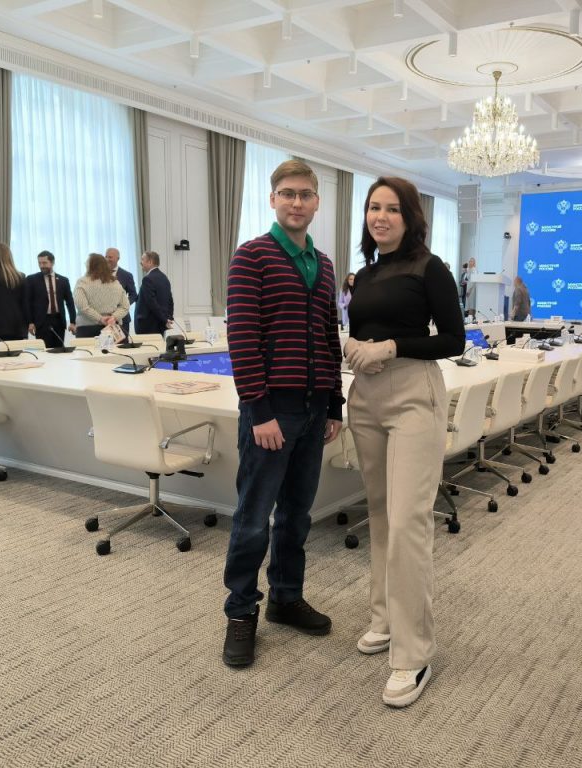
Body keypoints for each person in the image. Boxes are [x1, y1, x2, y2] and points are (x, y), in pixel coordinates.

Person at [344, 176, 465, 708]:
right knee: (379, 513)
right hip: (365, 396)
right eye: (374, 207)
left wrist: (391, 346)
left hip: (414, 393)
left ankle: (414, 654)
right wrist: (351, 344)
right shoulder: (366, 274)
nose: (381, 216)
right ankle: (385, 618)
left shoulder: (429, 267)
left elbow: (454, 339)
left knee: (408, 521)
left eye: (392, 208)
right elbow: (362, 329)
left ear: (410, 217)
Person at [222, 159, 343, 668]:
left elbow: (329, 336)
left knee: (296, 515)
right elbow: (242, 338)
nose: (297, 202)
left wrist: (334, 403)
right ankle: (240, 611)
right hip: (272, 411)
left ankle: (286, 598)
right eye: (288, 193)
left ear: (317, 202)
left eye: (305, 194)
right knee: (254, 518)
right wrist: (260, 411)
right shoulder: (251, 256)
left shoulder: (325, 264)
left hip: (315, 410)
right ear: (273, 199)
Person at [24, 250, 76, 349]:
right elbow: (27, 302)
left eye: (44, 263)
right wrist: (30, 322)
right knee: (44, 351)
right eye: (39, 263)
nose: (41, 266)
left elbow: (70, 302)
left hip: (58, 321)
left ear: (52, 263)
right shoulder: (31, 280)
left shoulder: (63, 280)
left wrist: (73, 322)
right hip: (41, 322)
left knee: (59, 350)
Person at [74, 253, 130, 338]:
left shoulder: (82, 282)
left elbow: (82, 306)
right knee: (114, 347)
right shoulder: (115, 282)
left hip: (87, 329)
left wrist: (100, 318)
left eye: (86, 262)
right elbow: (125, 306)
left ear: (90, 266)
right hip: (112, 328)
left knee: (87, 347)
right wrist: (113, 317)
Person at [134, 250, 174, 335]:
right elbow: (170, 301)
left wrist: (165, 319)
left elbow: (151, 303)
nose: (140, 262)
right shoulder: (164, 278)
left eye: (142, 259)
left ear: (150, 262)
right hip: (161, 325)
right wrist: (167, 319)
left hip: (147, 326)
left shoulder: (147, 279)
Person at [105, 247, 137, 337]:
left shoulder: (127, 275)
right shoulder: (99, 275)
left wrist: (124, 305)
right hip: (104, 319)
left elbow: (133, 295)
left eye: (110, 257)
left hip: (122, 318)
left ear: (118, 258)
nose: (107, 259)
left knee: (123, 344)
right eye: (106, 256)